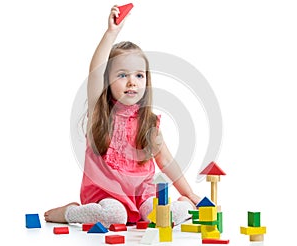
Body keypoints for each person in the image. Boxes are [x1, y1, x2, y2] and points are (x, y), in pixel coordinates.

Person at [44, 5, 201, 228]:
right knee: (115, 216)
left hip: (143, 197)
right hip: (106, 197)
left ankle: (183, 205)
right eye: (122, 75)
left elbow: (166, 161)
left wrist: (190, 193)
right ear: (107, 81)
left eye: (139, 75)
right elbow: (95, 70)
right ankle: (70, 213)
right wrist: (111, 33)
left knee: (164, 216)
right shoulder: (101, 113)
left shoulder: (149, 122)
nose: (132, 82)